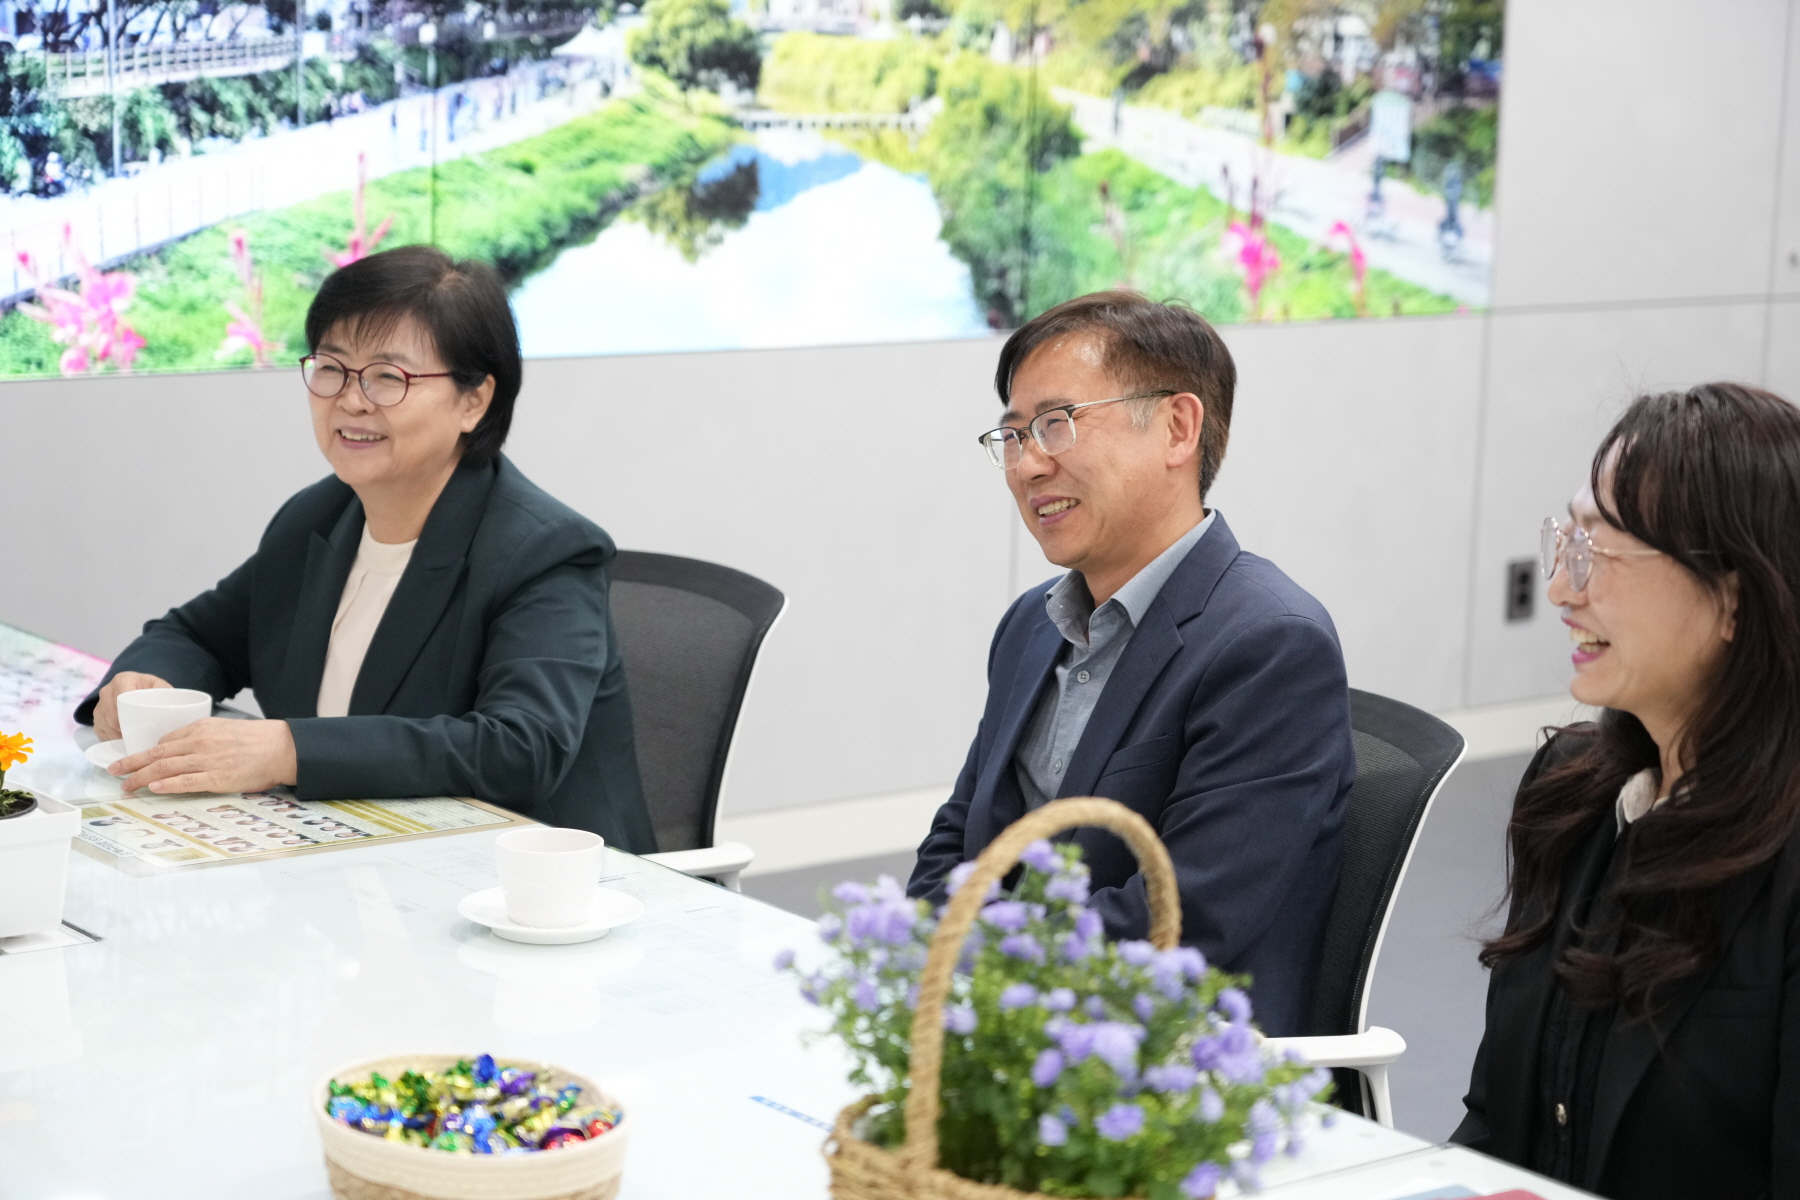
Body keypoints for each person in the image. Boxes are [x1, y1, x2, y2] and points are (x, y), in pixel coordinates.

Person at [77, 245, 657, 851]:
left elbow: (521, 747)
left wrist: (287, 750)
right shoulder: (318, 518)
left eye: (388, 377)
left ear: (473, 401)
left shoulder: (546, 552)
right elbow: (195, 636)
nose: (351, 399)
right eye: (332, 368)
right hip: (355, 865)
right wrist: (143, 683)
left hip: (530, 893)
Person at [906, 290, 1355, 1036]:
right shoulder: (1030, 624)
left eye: (1057, 424)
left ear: (1178, 428)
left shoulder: (1270, 645)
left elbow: (1180, 919)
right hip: (1001, 1030)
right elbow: (957, 841)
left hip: (1158, 1073)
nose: (1027, 466)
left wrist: (976, 974)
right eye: (1013, 436)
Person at [1452, 383, 1800, 1198]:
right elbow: (1498, 1122)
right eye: (1568, 541)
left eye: (1602, 554)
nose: (1564, 591)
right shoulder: (1570, 795)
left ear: (1735, 598)